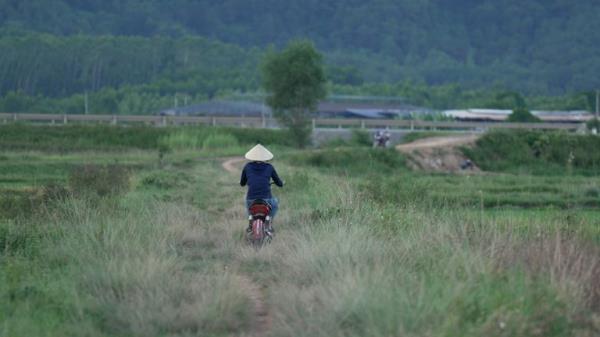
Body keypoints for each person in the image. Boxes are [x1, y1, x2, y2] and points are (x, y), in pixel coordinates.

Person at [240, 144, 283, 234]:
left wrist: (247, 182)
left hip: (251, 199)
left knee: (250, 211)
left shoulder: (247, 166)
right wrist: (281, 183)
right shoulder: (269, 167)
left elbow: (242, 183)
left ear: (252, 157)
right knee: (275, 203)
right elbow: (279, 183)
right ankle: (269, 221)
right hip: (266, 198)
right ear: (265, 157)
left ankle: (251, 223)